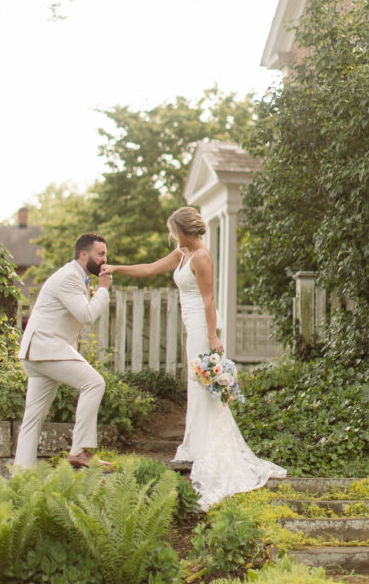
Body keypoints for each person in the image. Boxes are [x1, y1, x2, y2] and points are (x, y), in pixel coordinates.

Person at [103, 206, 286, 509]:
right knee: (195, 386)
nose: (171, 236)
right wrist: (116, 268)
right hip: (192, 324)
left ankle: (208, 451)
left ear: (184, 231)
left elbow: (209, 299)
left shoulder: (201, 256)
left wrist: (213, 337)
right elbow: (149, 268)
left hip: (203, 326)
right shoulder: (182, 253)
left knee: (203, 386)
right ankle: (197, 444)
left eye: (173, 231)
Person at [14, 233, 113, 470]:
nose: (104, 259)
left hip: (38, 352)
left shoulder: (75, 277)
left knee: (32, 420)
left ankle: (21, 477)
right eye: (100, 254)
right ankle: (80, 450)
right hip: (46, 349)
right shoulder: (69, 277)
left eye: (105, 255)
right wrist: (103, 290)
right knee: (94, 383)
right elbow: (86, 315)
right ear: (83, 254)